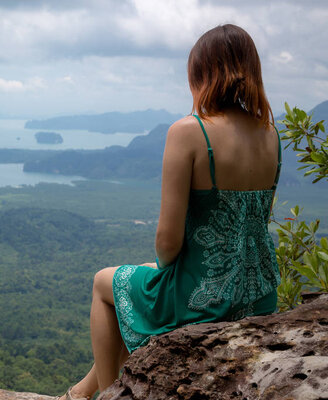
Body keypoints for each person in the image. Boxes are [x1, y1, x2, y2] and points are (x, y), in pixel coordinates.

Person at [58, 24, 281, 400]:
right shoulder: (271, 134)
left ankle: (113, 393)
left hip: (204, 299)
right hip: (259, 296)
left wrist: (167, 267)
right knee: (133, 303)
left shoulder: (190, 131)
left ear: (201, 74)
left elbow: (167, 242)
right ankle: (79, 393)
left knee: (104, 283)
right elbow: (252, 224)